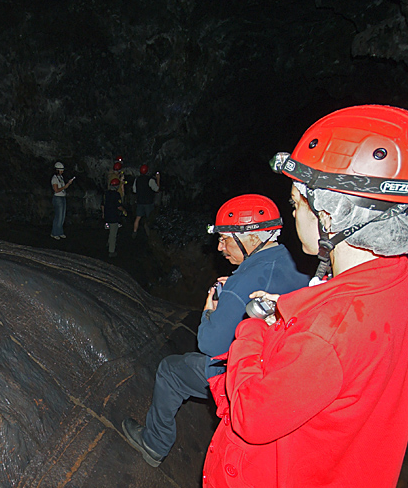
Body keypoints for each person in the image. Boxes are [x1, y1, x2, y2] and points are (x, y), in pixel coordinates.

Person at [202, 105, 408, 488]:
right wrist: (293, 311)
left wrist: (254, 329)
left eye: (297, 204)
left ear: (329, 215)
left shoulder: (329, 330)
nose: (294, 213)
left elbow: (251, 415)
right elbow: (355, 351)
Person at [121, 194, 309, 467]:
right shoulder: (297, 262)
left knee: (171, 370)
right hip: (288, 369)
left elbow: (210, 345)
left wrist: (211, 310)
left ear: (253, 238)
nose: (220, 247)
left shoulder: (242, 282)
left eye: (226, 238)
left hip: (253, 377)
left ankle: (154, 443)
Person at [132, 164, 160, 238]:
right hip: (148, 202)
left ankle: (134, 231)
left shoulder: (137, 179)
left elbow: (134, 190)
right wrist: (158, 179)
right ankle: (150, 234)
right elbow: (157, 189)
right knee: (150, 218)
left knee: (138, 217)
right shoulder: (150, 180)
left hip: (140, 202)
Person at [102, 177, 127, 257]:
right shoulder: (116, 195)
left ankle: (108, 243)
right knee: (113, 233)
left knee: (110, 231)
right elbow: (118, 206)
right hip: (113, 216)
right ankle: (111, 251)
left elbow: (102, 205)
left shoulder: (106, 194)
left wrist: (103, 214)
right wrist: (124, 210)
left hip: (107, 215)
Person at [51, 161, 74, 240]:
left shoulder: (60, 177)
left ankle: (60, 232)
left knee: (62, 216)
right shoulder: (54, 178)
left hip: (62, 197)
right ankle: (54, 233)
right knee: (58, 216)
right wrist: (65, 186)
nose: (62, 171)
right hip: (58, 198)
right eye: (61, 170)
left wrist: (67, 184)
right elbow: (56, 190)